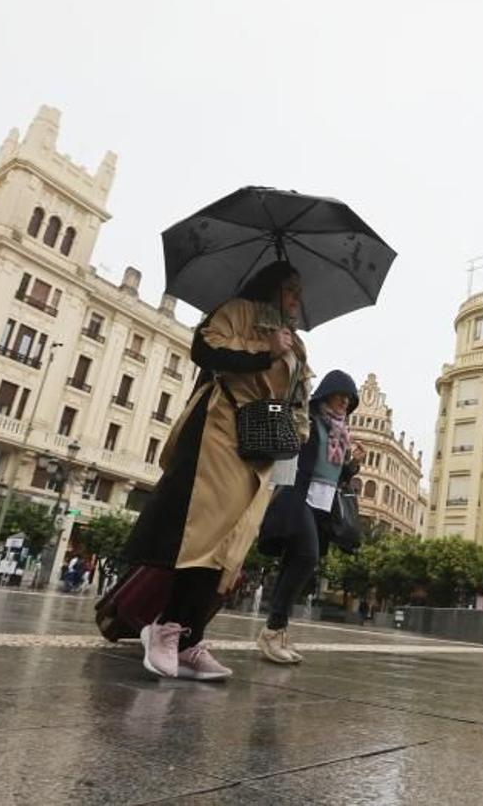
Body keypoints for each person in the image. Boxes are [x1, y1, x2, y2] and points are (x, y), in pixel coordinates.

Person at [123, 261, 310, 681]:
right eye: (291, 290)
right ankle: (166, 628)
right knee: (202, 534)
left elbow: (298, 396)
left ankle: (190, 641)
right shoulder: (237, 311)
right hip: (220, 433)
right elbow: (204, 349)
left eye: (300, 292)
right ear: (271, 289)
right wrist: (266, 351)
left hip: (262, 451)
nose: (298, 300)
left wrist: (299, 429)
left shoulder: (296, 344)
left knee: (229, 545)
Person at [256, 370, 364, 665]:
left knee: (295, 562)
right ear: (326, 393)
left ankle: (277, 631)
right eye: (340, 395)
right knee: (307, 557)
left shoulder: (340, 433)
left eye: (349, 399)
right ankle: (272, 629)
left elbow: (336, 475)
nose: (344, 402)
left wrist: (352, 465)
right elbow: (292, 453)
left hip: (323, 504)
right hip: (297, 496)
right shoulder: (308, 421)